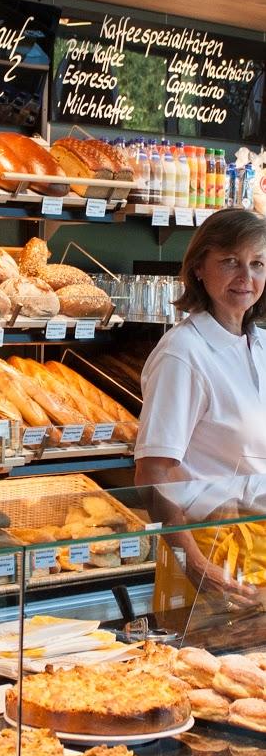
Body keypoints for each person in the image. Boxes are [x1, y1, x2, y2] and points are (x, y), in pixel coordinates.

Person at [134, 208, 266, 614]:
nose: (245, 277)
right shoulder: (183, 354)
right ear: (197, 270)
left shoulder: (259, 344)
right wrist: (196, 565)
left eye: (257, 263)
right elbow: (152, 474)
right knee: (203, 672)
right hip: (211, 549)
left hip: (258, 546)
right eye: (230, 261)